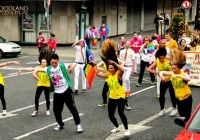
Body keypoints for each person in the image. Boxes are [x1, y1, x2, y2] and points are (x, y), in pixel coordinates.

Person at [33, 54, 83, 132]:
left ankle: (78, 125)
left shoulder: (62, 66)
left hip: (66, 91)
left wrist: (72, 67)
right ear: (50, 62)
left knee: (72, 108)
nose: (54, 64)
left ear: (58, 61)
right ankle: (60, 124)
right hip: (57, 93)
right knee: (56, 110)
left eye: (56, 62)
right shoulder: (48, 69)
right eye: (52, 62)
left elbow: (74, 63)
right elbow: (38, 69)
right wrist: (34, 73)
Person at [90, 40, 130, 136]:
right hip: (112, 97)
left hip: (120, 97)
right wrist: (94, 65)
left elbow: (122, 69)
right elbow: (98, 73)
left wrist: (115, 63)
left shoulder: (118, 75)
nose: (110, 69)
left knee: (121, 113)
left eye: (112, 68)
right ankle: (116, 126)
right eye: (109, 68)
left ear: (115, 68)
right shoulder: (108, 75)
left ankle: (127, 129)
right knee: (110, 115)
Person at [159, 49, 192, 122]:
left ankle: (188, 130)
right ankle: (184, 129)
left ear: (179, 68)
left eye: (175, 68)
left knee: (187, 117)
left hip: (186, 98)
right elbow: (161, 72)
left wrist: (178, 76)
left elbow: (188, 78)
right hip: (178, 98)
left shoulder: (183, 74)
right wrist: (162, 76)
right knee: (182, 116)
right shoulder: (172, 73)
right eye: (172, 68)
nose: (173, 70)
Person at [147, 48, 177, 116]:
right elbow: (149, 69)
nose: (161, 59)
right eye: (159, 58)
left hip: (172, 80)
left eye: (162, 58)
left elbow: (176, 70)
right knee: (161, 95)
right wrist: (157, 73)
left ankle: (174, 108)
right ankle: (162, 109)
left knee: (172, 95)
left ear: (165, 56)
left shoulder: (169, 60)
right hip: (163, 80)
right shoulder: (157, 61)